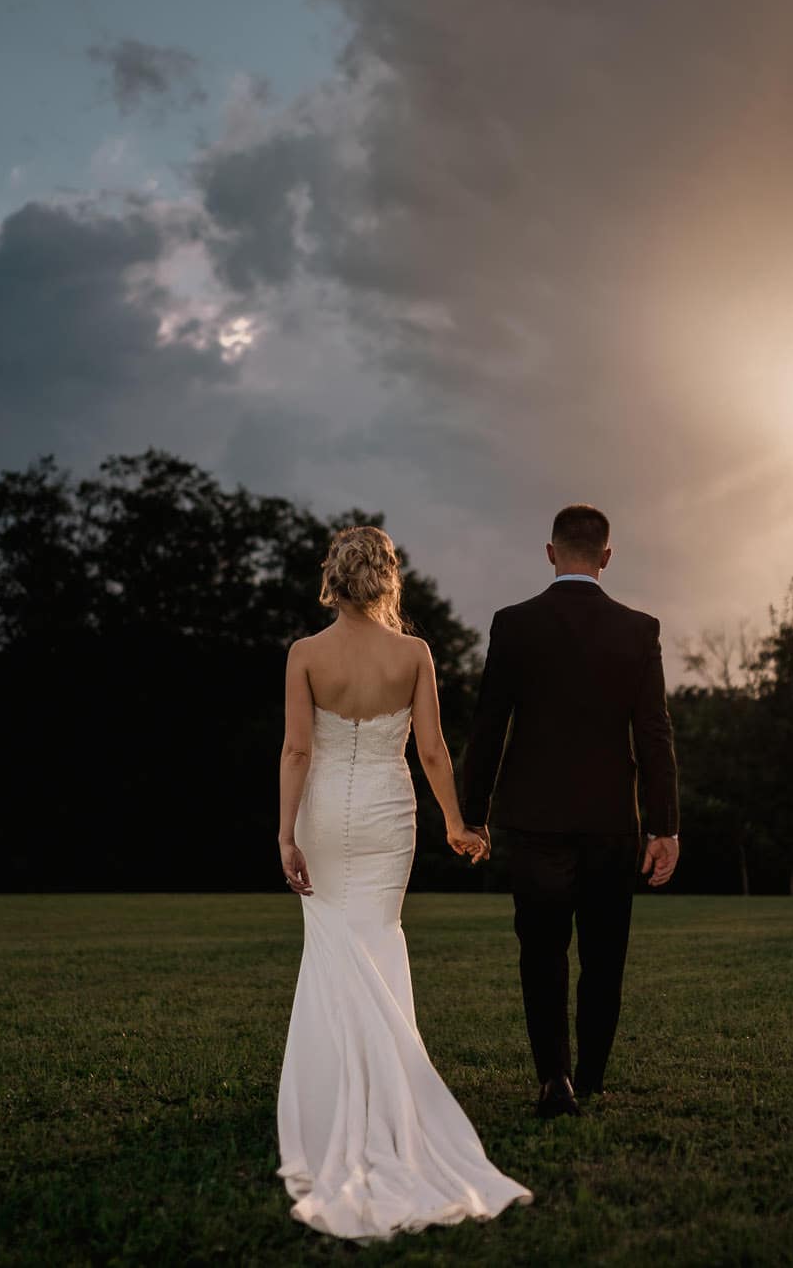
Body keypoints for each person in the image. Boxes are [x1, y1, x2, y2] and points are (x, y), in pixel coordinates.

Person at [273, 524, 534, 1240]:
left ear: (334, 576)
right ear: (387, 576)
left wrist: (285, 832)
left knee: (333, 945)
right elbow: (431, 748)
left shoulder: (305, 654)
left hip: (326, 814)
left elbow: (299, 747)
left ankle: (337, 1099)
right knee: (376, 940)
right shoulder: (414, 653)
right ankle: (386, 1102)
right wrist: (457, 821)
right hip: (389, 816)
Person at [459, 503, 680, 1118]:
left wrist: (472, 815)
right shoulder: (639, 630)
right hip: (612, 821)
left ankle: (555, 1078)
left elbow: (488, 727)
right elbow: (655, 734)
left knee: (542, 951)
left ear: (551, 552)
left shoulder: (513, 623)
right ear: (606, 557)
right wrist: (664, 826)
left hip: (532, 820)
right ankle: (594, 1074)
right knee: (604, 954)